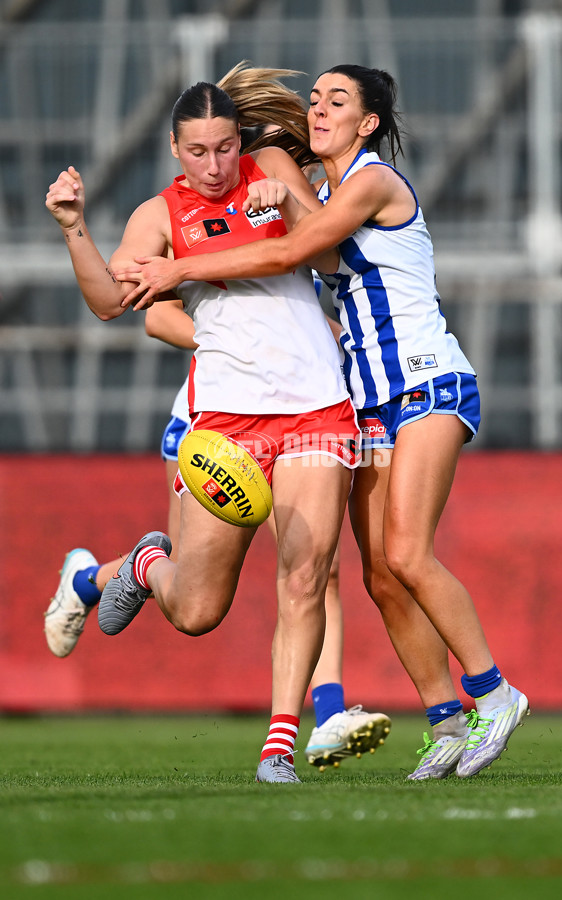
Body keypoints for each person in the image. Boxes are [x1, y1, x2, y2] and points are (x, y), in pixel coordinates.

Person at [116, 62, 530, 781]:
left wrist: (180, 268)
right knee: (378, 575)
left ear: (368, 123)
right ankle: (446, 721)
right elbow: (290, 246)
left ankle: (494, 693)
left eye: (337, 100)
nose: (318, 108)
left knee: (405, 553)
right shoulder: (326, 190)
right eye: (313, 98)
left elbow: (288, 252)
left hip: (425, 381)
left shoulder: (372, 182)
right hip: (369, 396)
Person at [44, 65, 393, 784]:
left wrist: (289, 205)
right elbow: (113, 302)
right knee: (198, 611)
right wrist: (75, 230)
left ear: (243, 141)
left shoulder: (269, 167)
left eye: (225, 148)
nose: (214, 165)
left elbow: (327, 256)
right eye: (198, 152)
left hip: (314, 407)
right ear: (176, 149)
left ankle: (279, 750)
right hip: (226, 423)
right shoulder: (158, 215)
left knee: (307, 575)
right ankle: (143, 563)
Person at [44, 297, 391, 770]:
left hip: (299, 415)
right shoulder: (189, 224)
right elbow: (157, 316)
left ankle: (328, 717)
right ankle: (89, 580)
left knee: (316, 569)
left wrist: (314, 338)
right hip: (216, 420)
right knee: (189, 592)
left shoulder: (293, 225)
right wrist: (249, 347)